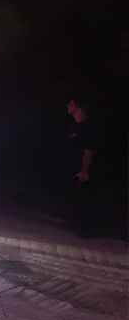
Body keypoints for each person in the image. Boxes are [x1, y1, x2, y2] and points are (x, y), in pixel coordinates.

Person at [64, 98, 99, 237]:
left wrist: (85, 170)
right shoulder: (75, 125)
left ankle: (88, 229)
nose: (68, 106)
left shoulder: (87, 128)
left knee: (85, 198)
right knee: (74, 196)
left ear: (78, 108)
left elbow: (88, 150)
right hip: (72, 165)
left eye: (71, 104)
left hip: (81, 167)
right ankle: (75, 221)